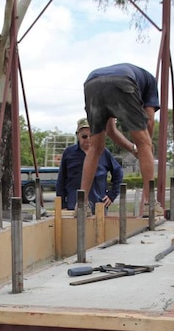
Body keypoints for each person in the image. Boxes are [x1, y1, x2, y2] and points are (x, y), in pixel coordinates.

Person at [80, 63, 160, 216]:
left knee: (95, 148)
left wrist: (133, 148)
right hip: (122, 80)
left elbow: (110, 130)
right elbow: (149, 122)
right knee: (145, 143)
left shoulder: (135, 80)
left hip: (92, 83)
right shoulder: (150, 82)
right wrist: (145, 149)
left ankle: (81, 205)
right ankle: (150, 203)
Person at [56, 117, 124, 213]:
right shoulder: (69, 153)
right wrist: (62, 205)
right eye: (84, 136)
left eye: (91, 136)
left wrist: (112, 195)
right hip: (73, 206)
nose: (88, 139)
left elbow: (118, 172)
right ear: (78, 135)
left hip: (98, 206)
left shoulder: (103, 152)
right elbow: (61, 181)